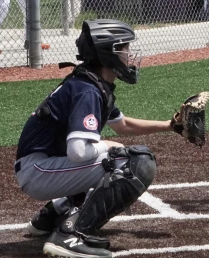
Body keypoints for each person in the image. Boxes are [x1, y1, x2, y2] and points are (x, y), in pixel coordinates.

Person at [15, 19, 182, 258]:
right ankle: (70, 235)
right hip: (39, 170)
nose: (129, 54)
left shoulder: (92, 83)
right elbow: (78, 152)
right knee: (134, 163)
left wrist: (171, 126)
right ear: (107, 54)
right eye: (123, 48)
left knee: (118, 155)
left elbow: (122, 125)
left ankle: (54, 214)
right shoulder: (88, 90)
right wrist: (108, 145)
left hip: (42, 167)